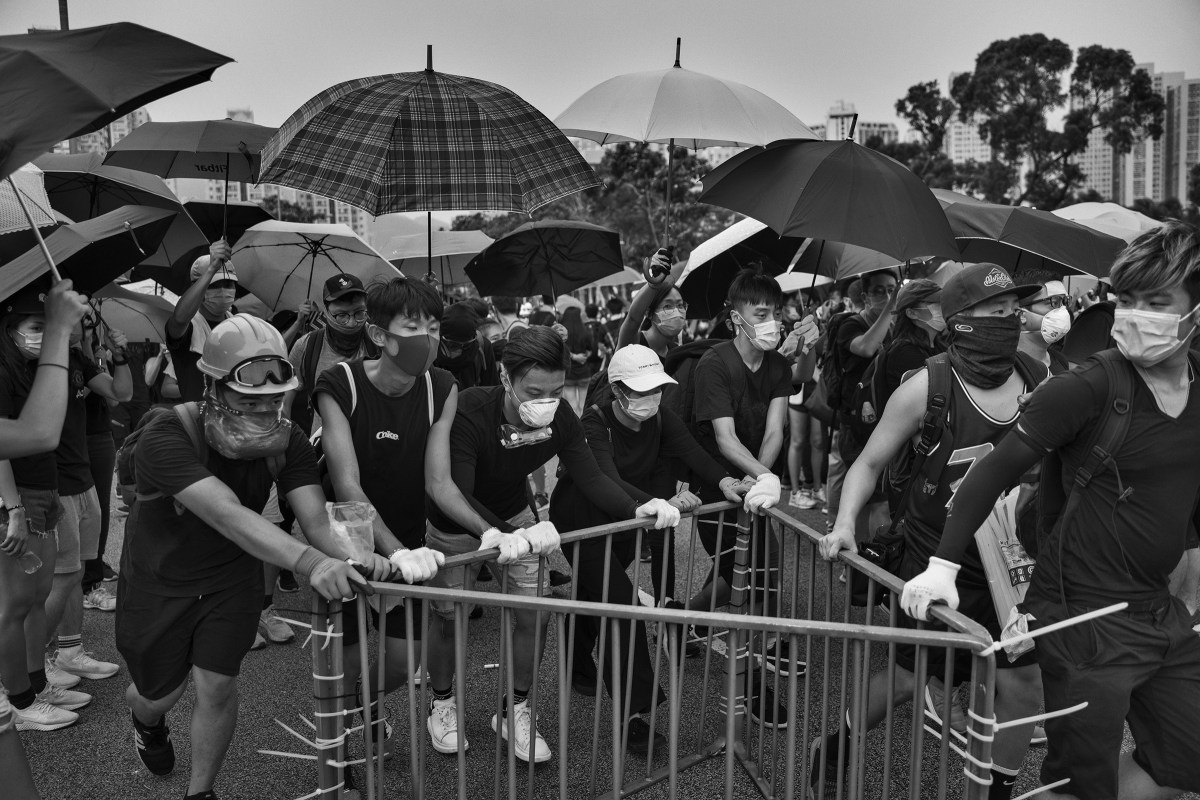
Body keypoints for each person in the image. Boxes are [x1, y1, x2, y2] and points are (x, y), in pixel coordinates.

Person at [909, 223, 1200, 800]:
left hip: (1159, 612)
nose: (1137, 315)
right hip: (1080, 618)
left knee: (1186, 758)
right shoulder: (1087, 387)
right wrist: (940, 567)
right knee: (1082, 783)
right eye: (1128, 300)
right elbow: (988, 473)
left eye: (1157, 301)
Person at [115, 313, 370, 800]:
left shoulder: (288, 441)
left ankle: (201, 792)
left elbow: (315, 523)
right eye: (250, 398)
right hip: (159, 581)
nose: (266, 408)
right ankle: (147, 720)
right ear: (213, 385)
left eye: (277, 398)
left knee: (217, 685)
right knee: (158, 694)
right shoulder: (166, 433)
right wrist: (314, 565)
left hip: (231, 579)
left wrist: (363, 560)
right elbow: (228, 515)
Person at [817, 262, 1047, 800]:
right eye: (997, 311)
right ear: (961, 320)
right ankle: (838, 743)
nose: (1011, 320)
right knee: (907, 676)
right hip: (934, 562)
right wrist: (846, 523)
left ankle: (997, 790)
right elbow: (868, 464)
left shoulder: (1037, 377)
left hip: (1013, 560)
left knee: (1022, 679)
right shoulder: (927, 386)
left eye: (1015, 310)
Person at [422, 325, 680, 763]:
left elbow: (592, 475)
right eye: (534, 390)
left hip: (517, 519)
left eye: (557, 390)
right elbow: (457, 490)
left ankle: (515, 710)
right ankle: (442, 703)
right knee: (447, 618)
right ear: (505, 378)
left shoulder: (560, 418)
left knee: (535, 614)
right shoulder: (469, 411)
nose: (547, 401)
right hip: (455, 522)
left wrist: (637, 509)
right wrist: (502, 532)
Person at [316, 277, 484, 754]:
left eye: (433, 325)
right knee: (347, 658)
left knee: (399, 658)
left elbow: (440, 483)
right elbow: (348, 488)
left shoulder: (442, 386)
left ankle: (365, 702)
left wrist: (490, 530)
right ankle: (350, 722)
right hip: (344, 541)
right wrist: (396, 550)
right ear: (378, 335)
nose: (427, 338)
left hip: (406, 534)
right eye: (412, 326)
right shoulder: (339, 384)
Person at [549, 344, 747, 750]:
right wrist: (659, 503)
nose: (650, 398)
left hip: (630, 519)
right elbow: (603, 476)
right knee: (622, 606)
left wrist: (725, 480)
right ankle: (632, 716)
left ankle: (576, 649)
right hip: (583, 519)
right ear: (618, 390)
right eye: (640, 391)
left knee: (599, 594)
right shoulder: (594, 421)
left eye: (656, 388)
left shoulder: (660, 416)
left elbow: (692, 449)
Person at [676, 268, 796, 726]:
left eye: (776, 313)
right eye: (761, 313)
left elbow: (775, 429)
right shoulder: (714, 364)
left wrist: (762, 479)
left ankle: (685, 620)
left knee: (756, 577)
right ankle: (749, 684)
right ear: (735, 318)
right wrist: (761, 477)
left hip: (754, 488)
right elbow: (724, 439)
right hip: (717, 488)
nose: (772, 322)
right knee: (748, 580)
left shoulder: (780, 366)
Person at [0, 279, 90, 800]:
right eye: (32, 327)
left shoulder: (27, 369)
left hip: (45, 489)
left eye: (43, 326)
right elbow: (22, 441)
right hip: (21, 498)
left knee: (36, 599)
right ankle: (20, 699)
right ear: (8, 327)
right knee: (13, 605)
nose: (40, 335)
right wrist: (12, 508)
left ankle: (35, 683)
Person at [42, 311, 131, 691]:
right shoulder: (38, 363)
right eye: (76, 314)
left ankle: (69, 650)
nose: (84, 321)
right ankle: (32, 667)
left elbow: (121, 392)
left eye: (87, 317)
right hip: (52, 482)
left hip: (82, 478)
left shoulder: (78, 359)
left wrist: (120, 355)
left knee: (77, 573)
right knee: (59, 579)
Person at [286, 273, 378, 437]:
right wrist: (286, 440)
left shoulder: (378, 341)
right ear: (326, 311)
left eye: (358, 313)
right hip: (324, 449)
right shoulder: (307, 346)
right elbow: (285, 401)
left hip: (372, 443)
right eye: (342, 315)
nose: (351, 323)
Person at [165, 241, 238, 403]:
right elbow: (178, 319)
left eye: (228, 284)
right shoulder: (190, 326)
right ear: (198, 287)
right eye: (214, 285)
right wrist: (211, 269)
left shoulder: (239, 326)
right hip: (198, 421)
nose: (223, 291)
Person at [434, 304, 498, 390]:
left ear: (474, 338)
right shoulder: (431, 350)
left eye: (467, 346)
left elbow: (491, 391)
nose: (460, 351)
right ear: (441, 338)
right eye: (453, 346)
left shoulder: (483, 347)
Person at [1015, 276, 1072, 372]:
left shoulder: (1061, 361)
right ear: (1022, 314)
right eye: (1054, 302)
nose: (1063, 310)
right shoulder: (1010, 368)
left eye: (1065, 301)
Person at [557, 298, 593, 416]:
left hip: (568, 373)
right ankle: (585, 426)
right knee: (584, 404)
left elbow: (560, 351)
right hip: (584, 373)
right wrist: (583, 357)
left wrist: (572, 356)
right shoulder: (586, 332)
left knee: (572, 404)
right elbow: (590, 351)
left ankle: (576, 425)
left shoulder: (561, 335)